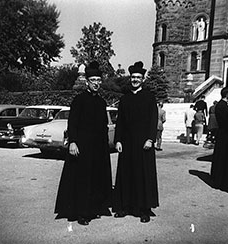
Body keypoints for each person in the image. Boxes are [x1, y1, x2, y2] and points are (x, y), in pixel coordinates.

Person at [54, 61, 112, 225]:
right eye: (93, 80)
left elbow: (103, 126)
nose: (96, 83)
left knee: (95, 179)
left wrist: (105, 145)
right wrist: (73, 142)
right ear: (87, 81)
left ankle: (94, 209)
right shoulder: (79, 100)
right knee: (82, 180)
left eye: (99, 81)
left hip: (98, 148)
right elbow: (72, 123)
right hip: (81, 148)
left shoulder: (101, 102)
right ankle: (81, 213)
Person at [112, 61, 159, 223]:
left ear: (143, 79)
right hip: (127, 143)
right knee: (126, 174)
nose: (135, 80)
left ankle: (143, 209)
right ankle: (124, 207)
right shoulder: (124, 99)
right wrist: (117, 140)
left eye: (138, 77)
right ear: (130, 78)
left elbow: (153, 119)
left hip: (143, 143)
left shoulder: (149, 97)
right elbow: (120, 123)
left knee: (143, 175)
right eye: (133, 77)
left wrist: (150, 139)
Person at [210, 87, 228, 192]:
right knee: (223, 157)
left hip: (224, 133)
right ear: (227, 95)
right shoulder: (222, 106)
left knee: (222, 157)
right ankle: (221, 181)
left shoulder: (221, 105)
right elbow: (227, 121)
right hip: (225, 134)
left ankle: (219, 179)